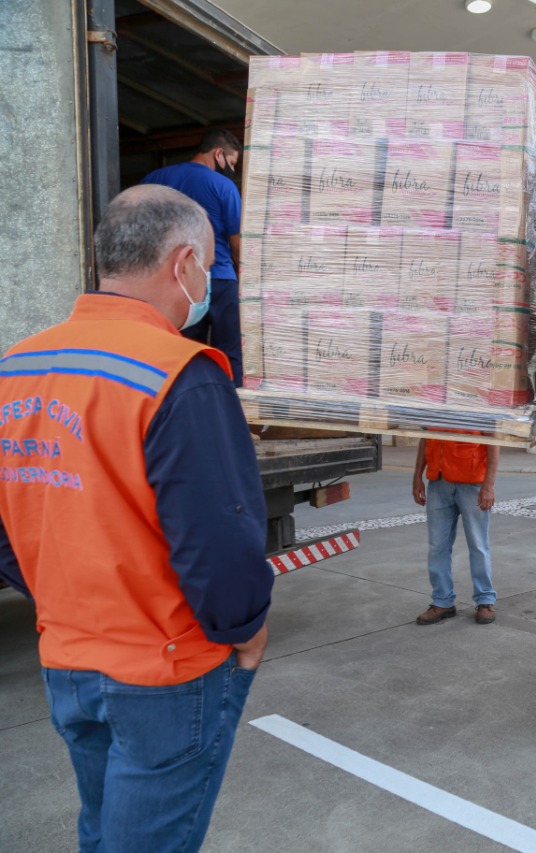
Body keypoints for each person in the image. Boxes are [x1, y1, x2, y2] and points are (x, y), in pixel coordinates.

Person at [0, 185, 272, 851]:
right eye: (208, 266)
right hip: (164, 669)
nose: (206, 282)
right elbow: (219, 538)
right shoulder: (179, 374)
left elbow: (9, 531)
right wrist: (246, 629)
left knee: (102, 828)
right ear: (183, 264)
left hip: (66, 658)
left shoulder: (17, 367)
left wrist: (64, 602)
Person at [141, 128, 245, 386]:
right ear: (218, 153)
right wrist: (244, 277)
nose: (231, 169)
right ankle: (233, 411)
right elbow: (236, 240)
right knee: (230, 353)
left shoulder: (155, 179)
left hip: (177, 282)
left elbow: (140, 229)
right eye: (231, 162)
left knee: (182, 352)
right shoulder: (224, 186)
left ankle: (187, 405)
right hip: (220, 279)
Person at [412, 437, 500, 624]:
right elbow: (425, 440)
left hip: (472, 481)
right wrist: (417, 476)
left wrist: (489, 485)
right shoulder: (433, 408)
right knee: (437, 546)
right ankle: (442, 601)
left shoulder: (479, 407)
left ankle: (485, 600)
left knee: (478, 544)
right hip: (438, 482)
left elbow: (493, 441)